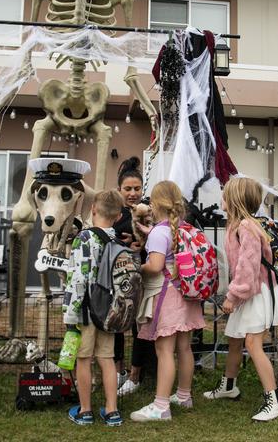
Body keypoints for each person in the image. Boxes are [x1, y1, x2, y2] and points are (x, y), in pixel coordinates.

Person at [203, 177, 278, 422]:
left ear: (235, 200)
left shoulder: (247, 228)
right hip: (248, 292)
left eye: (225, 195)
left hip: (256, 293)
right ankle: (229, 386)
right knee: (235, 340)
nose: (222, 199)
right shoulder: (236, 226)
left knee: (252, 343)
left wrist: (232, 296)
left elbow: (247, 267)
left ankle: (275, 400)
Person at [130, 181, 205, 422]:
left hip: (167, 296)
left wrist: (135, 267)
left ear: (154, 204)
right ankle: (184, 395)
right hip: (187, 294)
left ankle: (161, 406)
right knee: (184, 347)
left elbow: (155, 266)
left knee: (164, 350)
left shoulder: (159, 233)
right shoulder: (185, 229)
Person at [64, 189, 126, 427]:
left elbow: (78, 278)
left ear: (93, 209)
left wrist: (71, 310)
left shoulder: (85, 238)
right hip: (109, 310)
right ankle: (112, 411)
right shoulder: (117, 241)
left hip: (86, 310)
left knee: (83, 358)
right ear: (119, 216)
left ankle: (86, 410)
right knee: (107, 359)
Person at [113, 157, 156, 396]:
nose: (132, 193)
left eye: (137, 189)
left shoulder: (149, 212)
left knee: (140, 326)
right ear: (119, 190)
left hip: (144, 278)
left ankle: (135, 375)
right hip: (118, 278)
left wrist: (142, 246)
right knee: (117, 324)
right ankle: (118, 370)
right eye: (127, 189)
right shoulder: (114, 213)